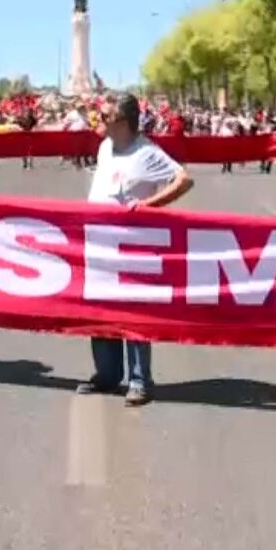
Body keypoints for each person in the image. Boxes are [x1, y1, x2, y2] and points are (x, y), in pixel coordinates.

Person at [77, 93, 194, 406]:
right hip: (100, 245)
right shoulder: (105, 147)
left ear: (124, 120)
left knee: (133, 315)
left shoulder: (146, 153)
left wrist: (148, 205)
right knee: (100, 312)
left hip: (133, 247)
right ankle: (107, 374)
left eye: (106, 114)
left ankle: (140, 380)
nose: (100, 118)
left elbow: (184, 180)